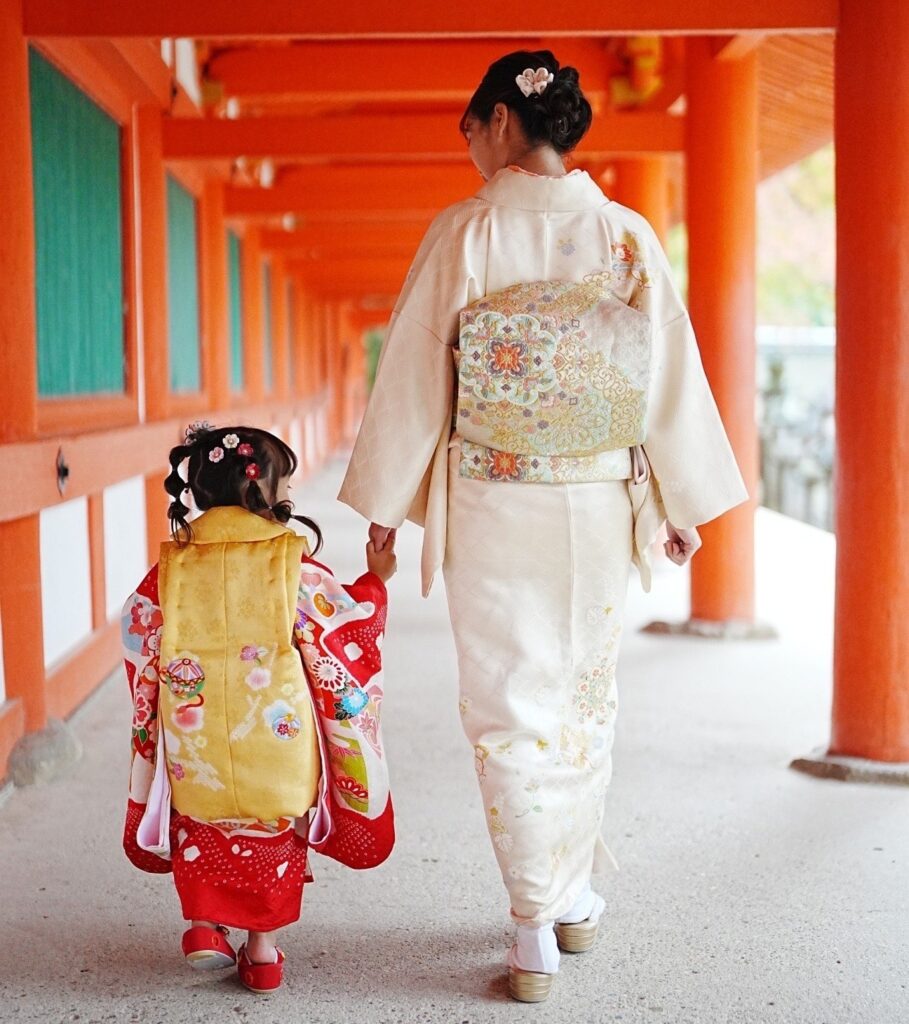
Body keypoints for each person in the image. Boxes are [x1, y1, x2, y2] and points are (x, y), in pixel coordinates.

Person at [338, 50, 748, 1002]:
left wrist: (386, 513)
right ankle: (566, 900)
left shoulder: (465, 232)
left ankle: (535, 920)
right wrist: (677, 502)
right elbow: (665, 373)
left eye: (469, 129)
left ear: (496, 123)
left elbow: (412, 375)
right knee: (581, 701)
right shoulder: (624, 236)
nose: (468, 145)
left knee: (507, 708)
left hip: (493, 499)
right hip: (597, 501)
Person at [121, 423, 396, 994]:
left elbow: (140, 625)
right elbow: (343, 627)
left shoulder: (173, 565)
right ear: (266, 491)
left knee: (202, 823)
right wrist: (375, 579)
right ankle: (262, 952)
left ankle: (202, 928)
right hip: (276, 733)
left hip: (192, 730)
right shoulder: (290, 561)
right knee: (271, 830)